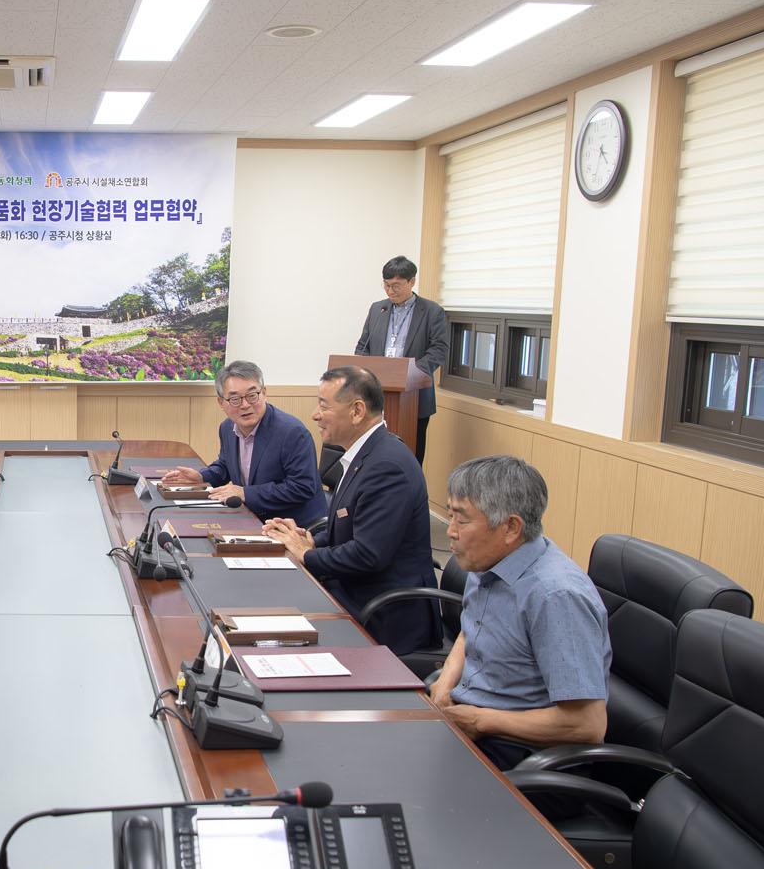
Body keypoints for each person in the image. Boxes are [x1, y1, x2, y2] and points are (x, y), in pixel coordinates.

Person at [427, 455, 612, 770]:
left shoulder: (556, 596)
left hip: (522, 754)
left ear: (511, 528)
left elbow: (587, 725)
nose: (451, 532)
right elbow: (471, 631)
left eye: (462, 520)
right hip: (471, 718)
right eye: (450, 516)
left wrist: (481, 720)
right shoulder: (488, 559)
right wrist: (444, 686)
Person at [262, 366, 440, 657]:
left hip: (384, 613)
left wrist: (306, 554)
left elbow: (368, 554)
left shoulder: (387, 466)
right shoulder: (366, 454)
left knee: (277, 626)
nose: (315, 415)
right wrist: (307, 539)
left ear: (357, 411)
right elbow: (349, 530)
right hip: (355, 590)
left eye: (324, 406)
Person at [160, 360, 324, 525]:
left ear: (264, 393)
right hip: (250, 517)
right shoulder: (227, 427)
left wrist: (245, 493)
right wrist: (201, 477)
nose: (245, 405)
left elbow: (302, 487)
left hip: (292, 526)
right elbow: (226, 466)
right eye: (235, 399)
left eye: (252, 396)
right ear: (221, 403)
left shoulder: (292, 432)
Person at [353, 255, 449, 463]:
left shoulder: (432, 311)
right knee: (372, 456)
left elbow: (439, 350)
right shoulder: (377, 309)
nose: (390, 291)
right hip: (376, 395)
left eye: (396, 286)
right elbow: (362, 347)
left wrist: (411, 374)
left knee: (411, 456)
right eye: (386, 285)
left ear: (412, 281)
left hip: (414, 397)